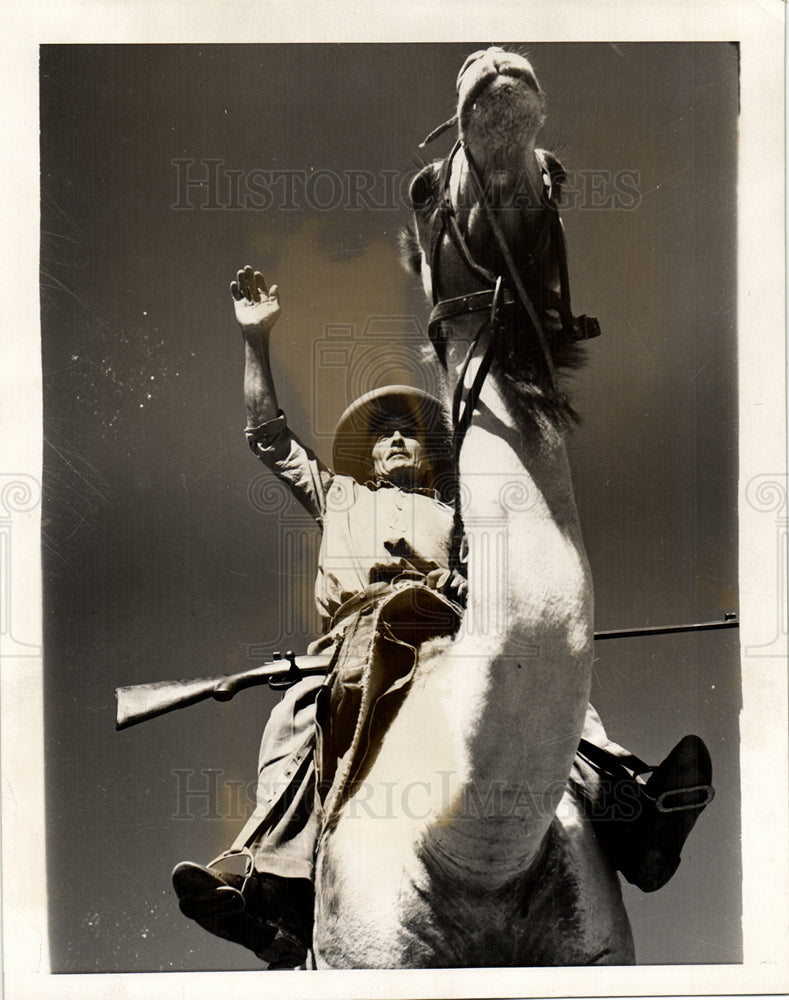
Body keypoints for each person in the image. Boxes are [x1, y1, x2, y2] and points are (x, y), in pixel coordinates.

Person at [172, 267, 714, 969]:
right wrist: (256, 338)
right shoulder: (336, 495)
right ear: (367, 453)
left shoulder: (451, 514)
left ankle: (634, 809)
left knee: (540, 680)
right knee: (297, 717)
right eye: (384, 435)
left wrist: (467, 573)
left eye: (408, 436)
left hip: (446, 629)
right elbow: (268, 437)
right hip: (359, 639)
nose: (396, 441)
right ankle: (259, 873)